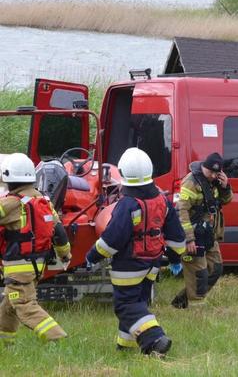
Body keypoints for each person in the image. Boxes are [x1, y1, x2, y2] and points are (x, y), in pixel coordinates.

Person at [85, 148, 186, 355]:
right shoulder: (162, 200)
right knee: (137, 303)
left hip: (128, 265)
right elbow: (177, 236)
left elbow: (111, 240)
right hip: (153, 264)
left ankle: (155, 338)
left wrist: (92, 256)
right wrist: (176, 258)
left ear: (123, 173)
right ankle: (126, 347)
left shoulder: (127, 204)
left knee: (125, 305)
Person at [0, 153, 71, 345]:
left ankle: (57, 338)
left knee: (24, 304)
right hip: (36, 265)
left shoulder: (11, 203)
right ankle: (6, 343)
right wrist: (65, 254)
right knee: (8, 305)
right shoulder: (44, 201)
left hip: (18, 267)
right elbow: (59, 231)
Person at [171, 152, 233, 309]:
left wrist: (226, 187)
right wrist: (189, 239)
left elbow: (226, 200)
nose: (213, 175)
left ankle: (181, 301)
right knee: (199, 275)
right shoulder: (190, 183)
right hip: (193, 235)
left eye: (216, 173)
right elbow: (181, 212)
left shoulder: (216, 182)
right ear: (204, 167)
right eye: (210, 172)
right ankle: (196, 310)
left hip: (208, 233)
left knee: (216, 269)